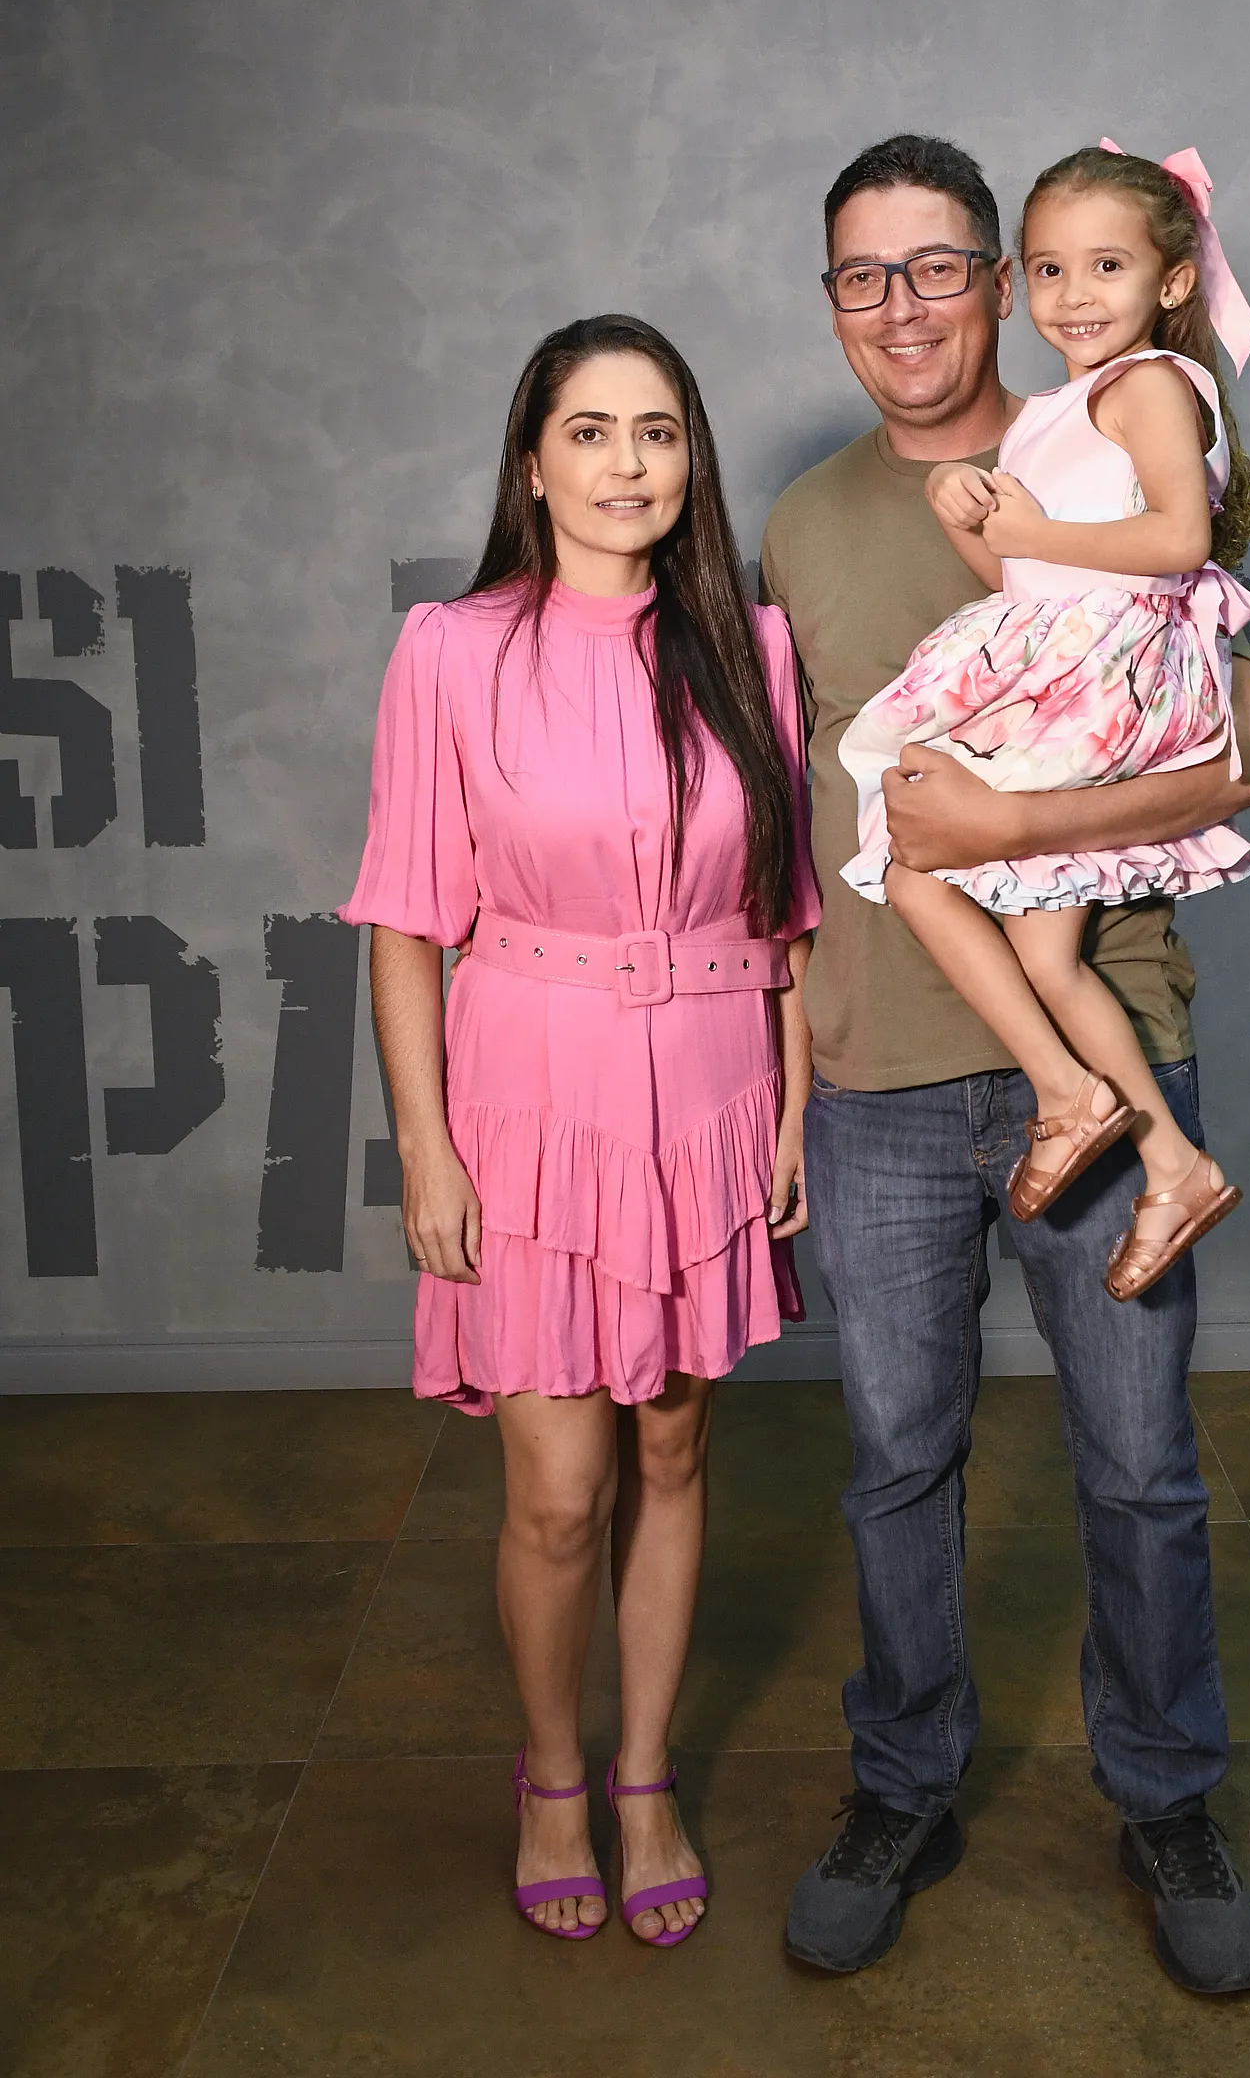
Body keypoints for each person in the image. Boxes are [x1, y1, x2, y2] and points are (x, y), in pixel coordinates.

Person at [762, 136, 1250, 1992]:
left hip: (1107, 1026)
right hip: (882, 1074)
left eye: (938, 267)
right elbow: (786, 813)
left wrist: (1001, 829)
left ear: (1002, 278)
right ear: (834, 304)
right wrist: (780, 1078)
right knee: (897, 1462)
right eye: (862, 275)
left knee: (1137, 1465)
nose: (902, 306)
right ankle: (903, 1783)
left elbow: (1243, 757)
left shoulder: (1112, 437)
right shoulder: (801, 522)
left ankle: (1167, 1794)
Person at [341, 314, 819, 1949]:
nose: (629, 464)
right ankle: (553, 1775)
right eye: (593, 431)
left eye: (659, 432)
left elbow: (786, 913)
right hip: (530, 1108)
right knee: (557, 1493)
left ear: (693, 463)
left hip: (712, 1100)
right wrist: (425, 1149)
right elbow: (406, 920)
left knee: (674, 1450)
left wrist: (790, 1111)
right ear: (532, 464)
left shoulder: (751, 649)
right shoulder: (450, 649)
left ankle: (645, 1777)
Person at [836, 143, 1250, 1297]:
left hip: (1113, 677)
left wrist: (1026, 530)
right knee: (1041, 951)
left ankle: (1070, 1094)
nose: (1073, 294)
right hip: (1064, 658)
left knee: (915, 862)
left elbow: (1177, 538)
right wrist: (964, 509)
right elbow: (1017, 576)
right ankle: (1171, 1164)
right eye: (1047, 269)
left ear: (1169, 282)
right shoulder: (1052, 413)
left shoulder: (1148, 385)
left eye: (1105, 266)